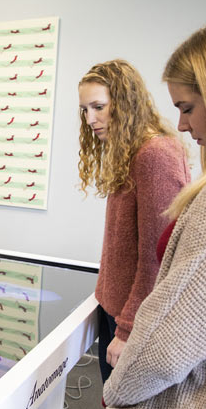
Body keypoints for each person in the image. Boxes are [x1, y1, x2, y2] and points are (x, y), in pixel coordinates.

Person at [92, 16, 206, 409]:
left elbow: (178, 326)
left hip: (183, 401)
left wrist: (127, 348)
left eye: (189, 107)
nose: (182, 123)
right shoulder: (129, 153)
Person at [77, 59, 189, 383]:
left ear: (124, 102)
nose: (90, 119)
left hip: (135, 318)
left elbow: (157, 256)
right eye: (85, 110)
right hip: (116, 306)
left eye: (99, 107)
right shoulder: (129, 150)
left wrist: (127, 329)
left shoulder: (155, 155)